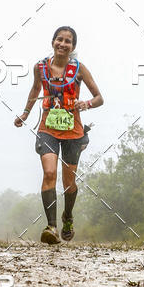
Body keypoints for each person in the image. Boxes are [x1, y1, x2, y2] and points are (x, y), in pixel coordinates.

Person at [14, 26, 103, 243]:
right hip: (48, 130)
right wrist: (25, 113)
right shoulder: (40, 67)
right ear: (53, 42)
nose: (63, 44)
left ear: (73, 47)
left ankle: (68, 216)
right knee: (49, 173)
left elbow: (99, 97)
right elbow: (35, 90)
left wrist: (86, 104)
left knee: (69, 183)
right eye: (59, 40)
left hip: (73, 132)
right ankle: (51, 227)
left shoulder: (80, 69)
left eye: (68, 41)